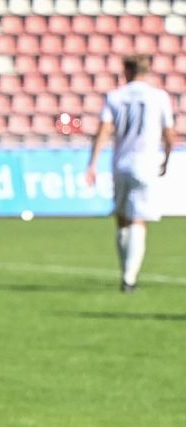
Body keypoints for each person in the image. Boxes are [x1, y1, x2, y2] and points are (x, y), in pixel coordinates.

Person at [83, 53, 175, 292]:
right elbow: (169, 132)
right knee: (139, 220)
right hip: (145, 164)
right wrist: (166, 157)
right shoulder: (159, 97)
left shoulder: (116, 96)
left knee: (122, 219)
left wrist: (92, 162)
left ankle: (126, 271)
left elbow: (103, 130)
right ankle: (129, 277)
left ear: (127, 71)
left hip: (120, 164)